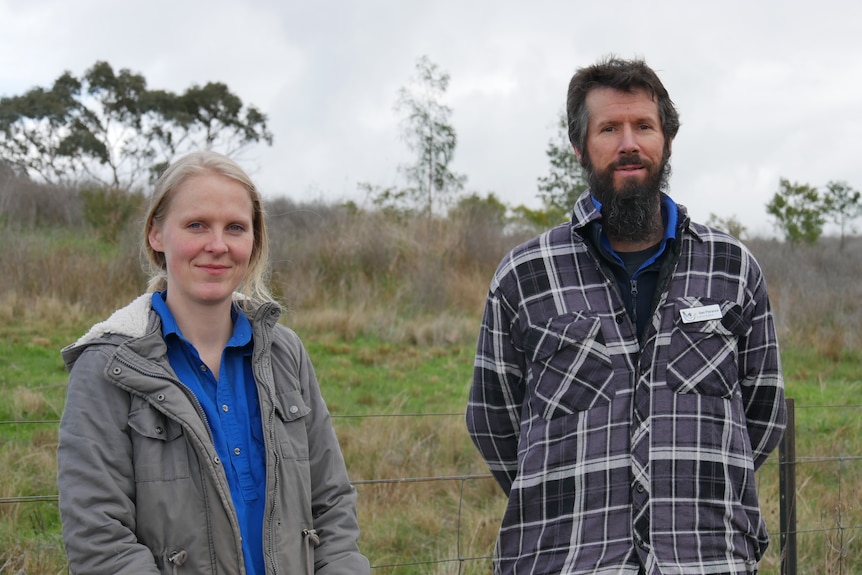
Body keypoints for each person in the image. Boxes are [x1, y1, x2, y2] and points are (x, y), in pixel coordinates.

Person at [466, 56, 787, 575]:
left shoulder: (732, 269)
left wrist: (693, 494)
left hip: (706, 562)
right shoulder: (525, 277)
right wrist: (563, 507)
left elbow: (763, 414)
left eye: (643, 126)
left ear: (667, 142)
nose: (628, 143)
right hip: (567, 562)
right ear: (579, 147)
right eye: (609, 128)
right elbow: (493, 420)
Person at [57, 151, 370, 575]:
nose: (218, 245)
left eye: (236, 228)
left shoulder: (285, 353)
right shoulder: (108, 367)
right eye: (196, 225)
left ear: (253, 241)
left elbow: (332, 506)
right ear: (156, 234)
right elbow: (101, 545)